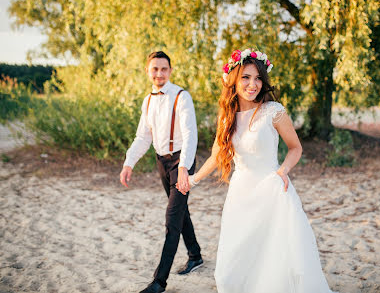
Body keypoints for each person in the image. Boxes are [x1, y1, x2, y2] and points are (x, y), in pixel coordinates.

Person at [178, 49, 335, 293]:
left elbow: (295, 148)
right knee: (232, 266)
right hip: (240, 196)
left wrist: (283, 170)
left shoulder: (274, 111)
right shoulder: (226, 118)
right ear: (233, 79)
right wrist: (192, 180)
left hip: (272, 191)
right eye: (246, 77)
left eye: (258, 78)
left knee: (274, 261)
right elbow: (216, 156)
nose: (253, 84)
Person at [120, 51, 203, 293]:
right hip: (161, 163)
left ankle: (159, 282)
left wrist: (185, 168)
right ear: (148, 71)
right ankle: (195, 255)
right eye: (154, 69)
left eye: (163, 69)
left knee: (172, 218)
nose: (159, 73)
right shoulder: (148, 100)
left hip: (181, 162)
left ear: (170, 71)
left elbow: (190, 136)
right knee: (180, 211)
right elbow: (142, 136)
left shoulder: (181, 97)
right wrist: (129, 163)